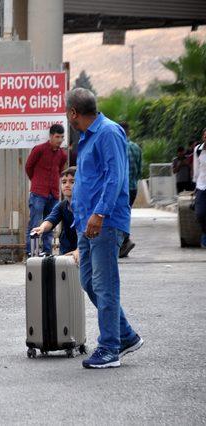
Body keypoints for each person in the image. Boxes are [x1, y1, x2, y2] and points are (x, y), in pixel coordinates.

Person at [66, 88, 144, 369]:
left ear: (74, 112)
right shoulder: (88, 137)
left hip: (105, 223)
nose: (68, 119)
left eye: (68, 113)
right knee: (88, 281)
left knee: (105, 284)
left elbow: (116, 177)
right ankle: (125, 335)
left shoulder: (109, 132)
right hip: (86, 224)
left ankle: (110, 347)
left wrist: (99, 213)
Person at [24, 124, 68, 257]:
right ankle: (31, 252)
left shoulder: (62, 154)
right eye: (57, 137)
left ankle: (47, 251)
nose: (60, 140)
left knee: (50, 223)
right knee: (35, 223)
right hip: (38, 193)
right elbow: (28, 167)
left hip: (53, 193)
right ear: (51, 136)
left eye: (61, 137)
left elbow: (60, 170)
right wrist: (37, 181)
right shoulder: (39, 150)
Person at [30, 167, 79, 261]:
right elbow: (51, 219)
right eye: (64, 182)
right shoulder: (62, 205)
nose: (67, 185)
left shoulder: (86, 206)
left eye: (72, 182)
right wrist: (42, 228)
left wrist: (79, 249)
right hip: (66, 249)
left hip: (83, 249)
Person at [119, 122, 142, 258]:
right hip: (133, 187)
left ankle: (124, 241)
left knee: (121, 214)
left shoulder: (119, 147)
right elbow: (140, 170)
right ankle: (125, 241)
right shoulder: (136, 148)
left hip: (122, 188)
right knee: (126, 213)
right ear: (129, 132)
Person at [193, 129, 206, 248]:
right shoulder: (198, 150)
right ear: (203, 137)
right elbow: (196, 170)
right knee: (200, 214)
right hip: (202, 186)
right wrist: (194, 187)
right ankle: (205, 232)